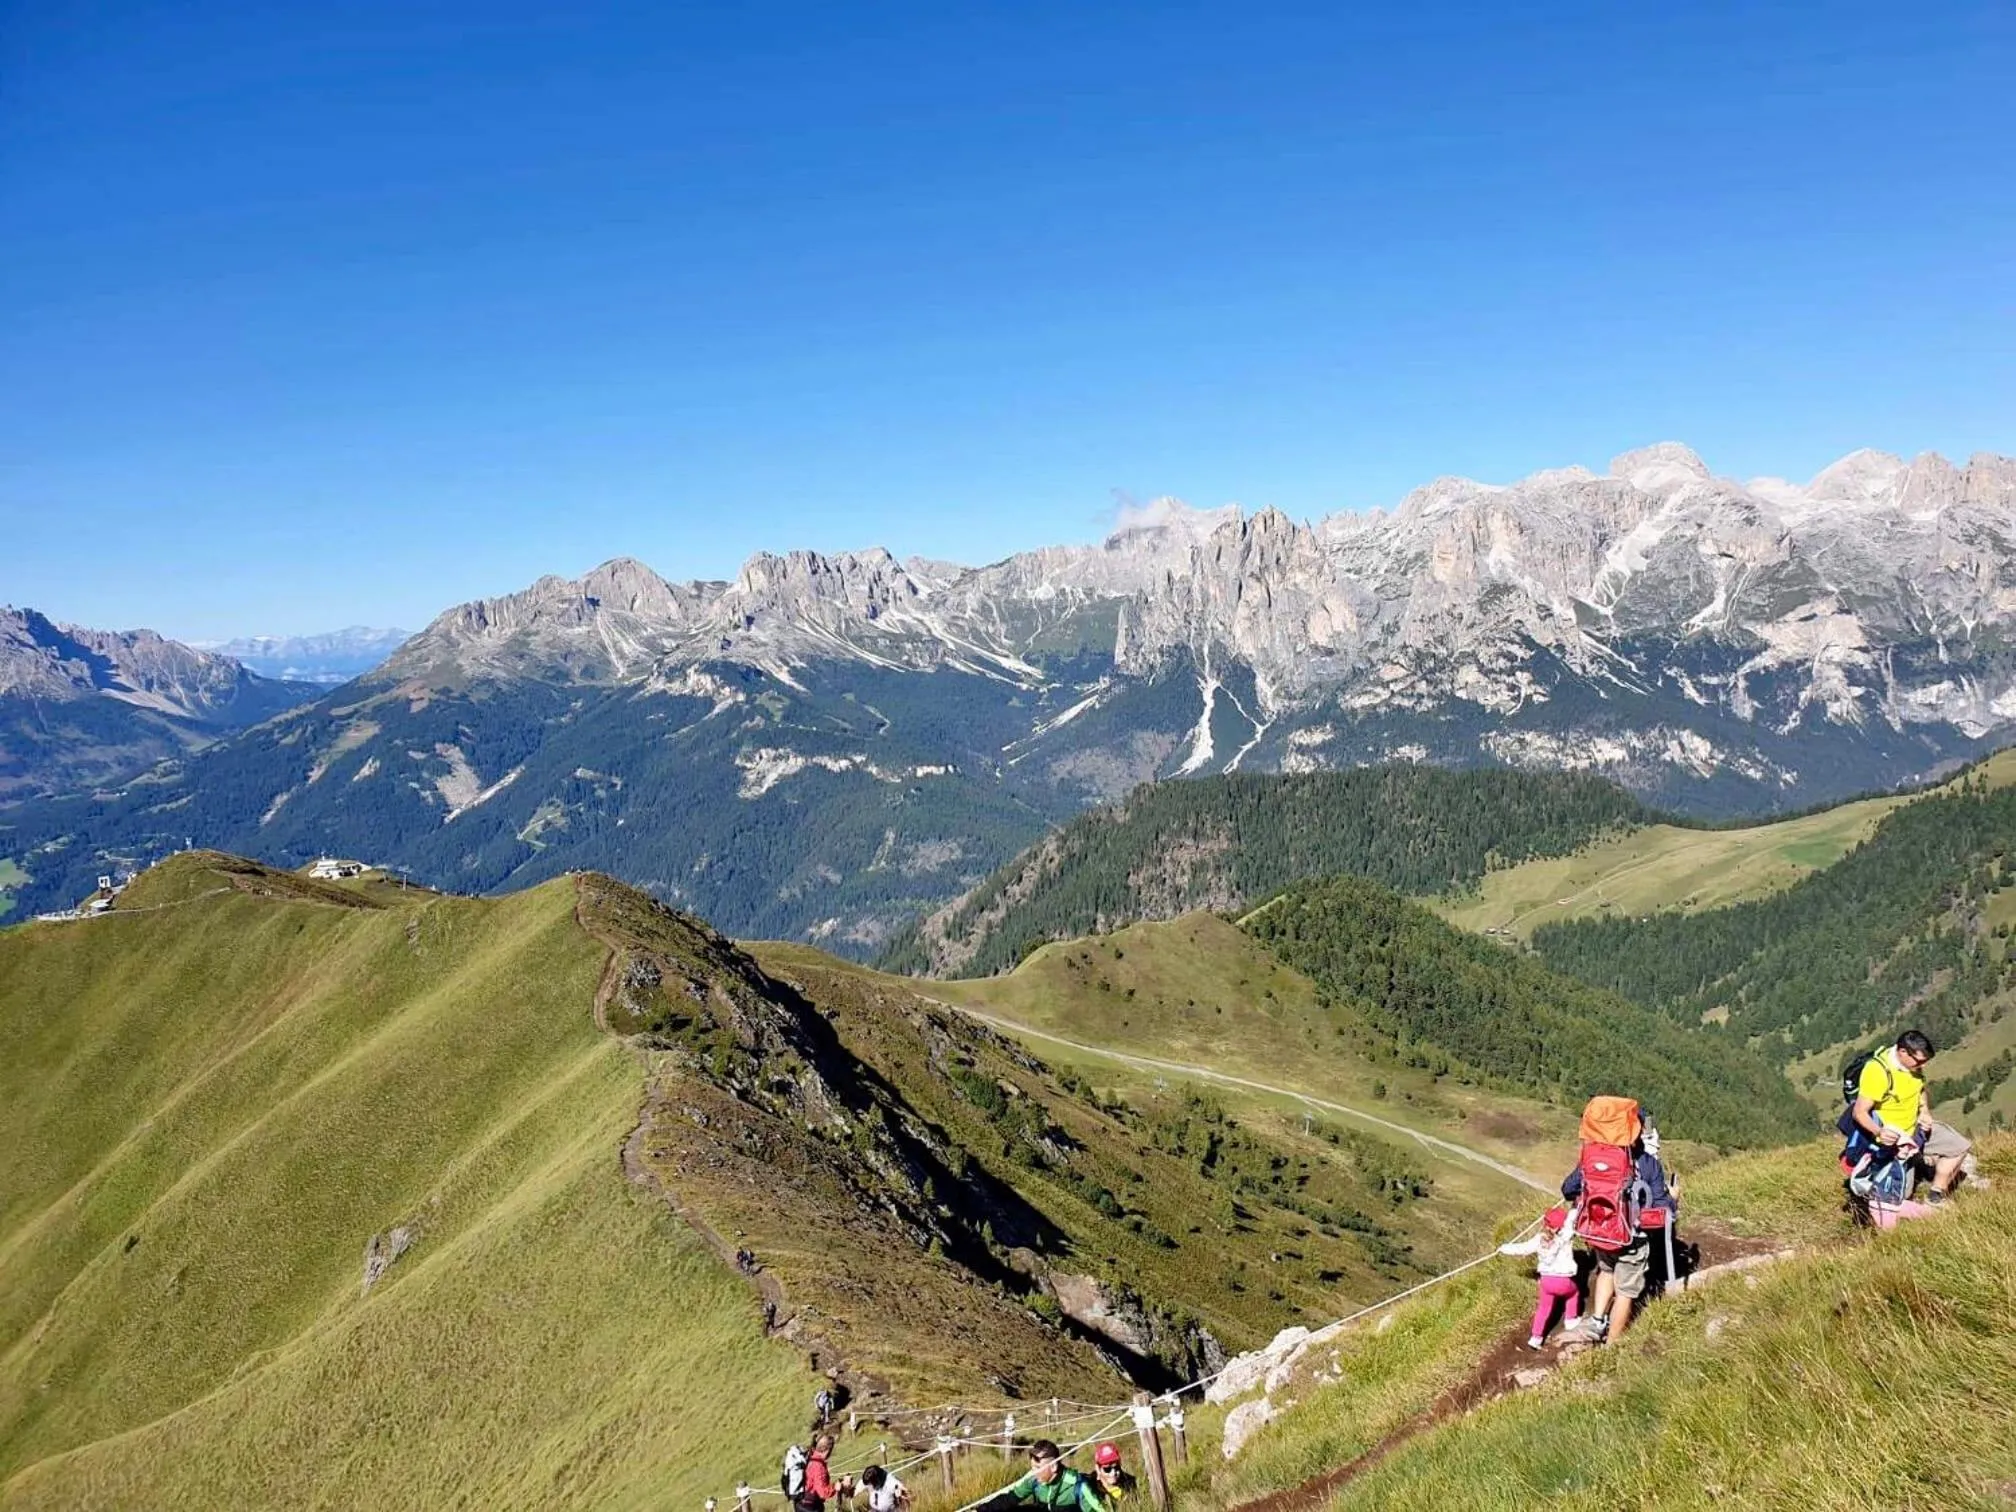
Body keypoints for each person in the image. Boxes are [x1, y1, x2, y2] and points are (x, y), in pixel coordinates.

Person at [1850, 1030, 1973, 1204]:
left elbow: (1919, 1088)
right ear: (1902, 1052)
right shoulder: (1878, 1071)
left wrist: (1925, 1111)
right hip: (1893, 1141)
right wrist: (1879, 1132)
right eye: (1920, 1061)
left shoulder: (1912, 1066)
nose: (1923, 1065)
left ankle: (1936, 1195)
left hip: (1916, 1129)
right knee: (1899, 1197)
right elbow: (1859, 1112)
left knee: (1959, 1147)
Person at [1497, 1206, 1579, 1349]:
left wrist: (1504, 1248)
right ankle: (1570, 1320)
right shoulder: (1566, 1235)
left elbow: (1522, 1248)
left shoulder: (1539, 1239)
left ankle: (1535, 1338)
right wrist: (1576, 1205)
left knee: (1543, 1308)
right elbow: (1572, 1219)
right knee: (1574, 1293)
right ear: (1562, 1225)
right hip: (1563, 1281)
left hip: (1546, 1281)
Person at [987, 1439, 1106, 1512]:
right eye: (1032, 1467)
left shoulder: (1078, 1486)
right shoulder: (1034, 1480)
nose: (1033, 1472)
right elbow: (1009, 1499)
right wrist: (979, 1510)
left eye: (1038, 1468)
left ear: (1053, 1466)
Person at [799, 1434, 852, 1512]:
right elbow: (823, 1493)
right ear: (827, 1450)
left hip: (801, 1502)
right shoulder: (819, 1466)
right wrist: (836, 1486)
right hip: (810, 1506)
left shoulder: (810, 1456)